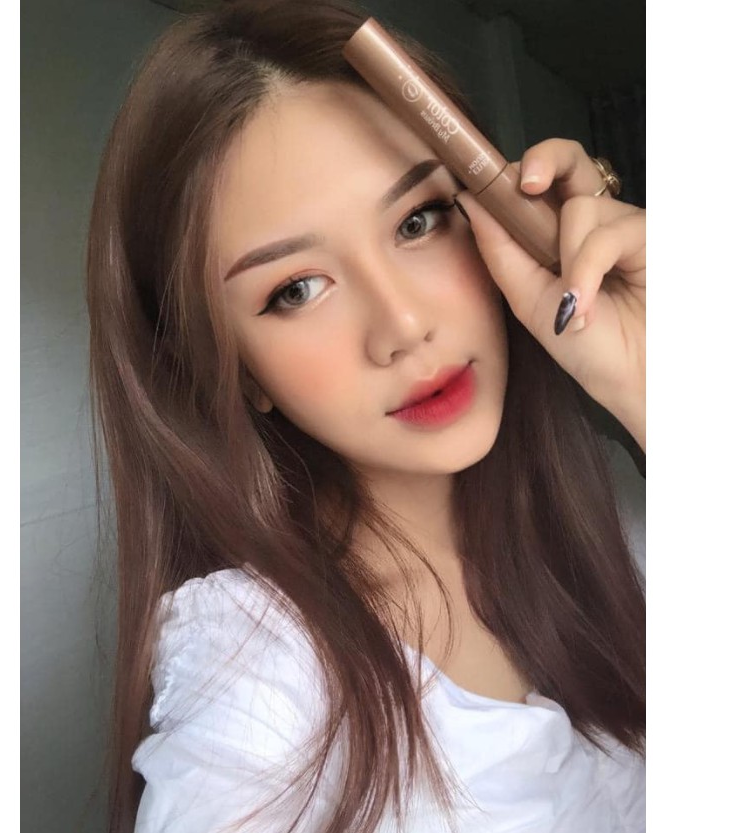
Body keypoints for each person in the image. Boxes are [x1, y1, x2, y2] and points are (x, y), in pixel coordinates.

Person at [85, 1, 646, 831]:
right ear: (236, 371)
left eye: (417, 221)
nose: (403, 326)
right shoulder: (255, 663)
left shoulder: (611, 496)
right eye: (295, 289)